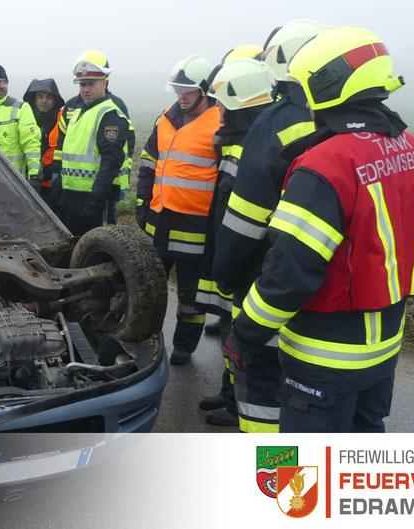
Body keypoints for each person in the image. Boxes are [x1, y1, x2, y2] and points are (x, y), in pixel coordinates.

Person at [225, 27, 414, 433]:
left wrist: (243, 333)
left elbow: (288, 275)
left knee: (301, 488)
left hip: (322, 359)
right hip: (383, 351)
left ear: (327, 87)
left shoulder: (325, 164)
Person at [209, 19, 327, 431]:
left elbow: (243, 225)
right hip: (326, 290)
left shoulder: (272, 126)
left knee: (260, 391)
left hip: (265, 279)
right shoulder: (352, 124)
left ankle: (271, 484)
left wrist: (223, 276)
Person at [199, 57, 275, 428]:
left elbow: (247, 218)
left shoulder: (256, 147)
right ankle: (230, 394)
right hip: (234, 252)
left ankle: (238, 404)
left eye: (222, 104)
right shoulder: (239, 140)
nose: (217, 110)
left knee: (243, 339)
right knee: (231, 331)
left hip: (248, 262)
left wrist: (226, 266)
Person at [135, 55, 218, 365]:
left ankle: (184, 346)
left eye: (188, 90)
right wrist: (143, 204)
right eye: (178, 90)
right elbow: (147, 163)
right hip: (159, 221)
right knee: (151, 289)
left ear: (205, 90)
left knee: (191, 296)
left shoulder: (221, 123)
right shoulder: (164, 119)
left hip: (196, 226)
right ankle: (146, 339)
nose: (181, 96)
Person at [54, 50, 131, 236]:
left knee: (98, 254)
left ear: (104, 83)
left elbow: (110, 163)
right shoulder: (78, 112)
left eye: (90, 84)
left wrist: (96, 201)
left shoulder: (109, 115)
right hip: (73, 196)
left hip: (96, 200)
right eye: (82, 84)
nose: (85, 89)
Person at [23, 79, 65, 205]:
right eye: (40, 97)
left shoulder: (64, 118)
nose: (44, 101)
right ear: (34, 99)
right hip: (28, 183)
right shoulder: (24, 117)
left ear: (55, 100)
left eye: (49, 97)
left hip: (55, 185)